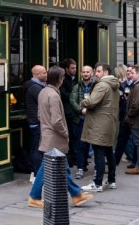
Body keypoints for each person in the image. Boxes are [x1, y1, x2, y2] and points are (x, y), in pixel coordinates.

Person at [27, 66, 93, 208]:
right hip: (55, 138)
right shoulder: (54, 95)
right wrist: (65, 133)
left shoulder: (43, 92)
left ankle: (75, 195)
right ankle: (36, 196)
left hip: (47, 135)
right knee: (56, 168)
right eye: (62, 77)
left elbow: (40, 115)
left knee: (58, 168)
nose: (63, 80)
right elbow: (56, 121)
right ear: (59, 80)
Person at [80, 63, 120, 192]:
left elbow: (91, 101)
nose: (95, 74)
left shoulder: (102, 85)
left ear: (106, 72)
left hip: (99, 124)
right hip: (109, 123)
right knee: (109, 152)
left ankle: (97, 183)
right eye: (95, 71)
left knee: (99, 153)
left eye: (98, 71)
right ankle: (112, 180)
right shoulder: (113, 85)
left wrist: (83, 101)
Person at [22, 65, 47, 182]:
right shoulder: (35, 88)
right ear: (37, 75)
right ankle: (36, 174)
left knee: (35, 148)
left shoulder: (35, 86)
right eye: (44, 73)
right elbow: (45, 103)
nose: (46, 75)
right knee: (37, 148)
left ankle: (35, 173)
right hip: (37, 122)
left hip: (34, 121)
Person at [70, 65, 95, 180]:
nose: (85, 74)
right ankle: (80, 167)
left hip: (93, 120)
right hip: (79, 120)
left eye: (87, 72)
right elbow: (72, 101)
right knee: (80, 145)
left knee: (94, 145)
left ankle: (96, 168)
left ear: (92, 73)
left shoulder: (96, 86)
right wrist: (81, 110)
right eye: (84, 72)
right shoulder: (76, 87)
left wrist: (89, 110)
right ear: (81, 73)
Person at [61, 58, 78, 167]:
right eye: (72, 68)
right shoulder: (63, 80)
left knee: (75, 136)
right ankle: (71, 158)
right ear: (66, 69)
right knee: (70, 136)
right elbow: (64, 95)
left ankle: (75, 157)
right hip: (67, 112)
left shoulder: (73, 79)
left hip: (73, 111)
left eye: (75, 68)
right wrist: (74, 97)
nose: (75, 70)